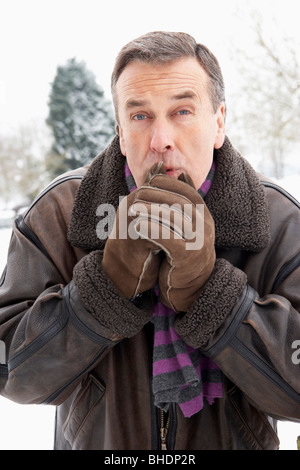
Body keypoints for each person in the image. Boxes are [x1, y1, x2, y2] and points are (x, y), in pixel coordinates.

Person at [0, 31, 299, 451]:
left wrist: (214, 297)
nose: (161, 140)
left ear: (218, 122)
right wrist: (105, 289)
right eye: (140, 117)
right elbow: (11, 373)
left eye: (181, 111)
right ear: (121, 132)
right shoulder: (59, 213)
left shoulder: (281, 220)